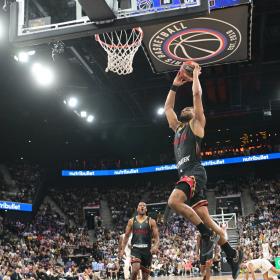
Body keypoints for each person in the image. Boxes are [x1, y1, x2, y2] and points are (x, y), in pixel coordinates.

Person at [164, 62, 243, 279]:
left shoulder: (196, 124)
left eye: (189, 108)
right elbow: (168, 109)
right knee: (209, 222)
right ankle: (232, 253)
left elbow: (197, 95)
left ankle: (205, 234)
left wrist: (196, 75)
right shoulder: (177, 127)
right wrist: (174, 85)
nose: (187, 108)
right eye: (185, 109)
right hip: (186, 175)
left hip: (194, 173)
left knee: (173, 202)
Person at [119, 202, 159, 280]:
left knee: (145, 277)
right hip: (135, 249)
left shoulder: (151, 221)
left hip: (147, 250)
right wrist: (122, 249)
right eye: (140, 206)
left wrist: (155, 246)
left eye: (144, 206)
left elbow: (157, 237)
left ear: (146, 209)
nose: (142, 207)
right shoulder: (131, 221)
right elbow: (126, 236)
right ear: (137, 209)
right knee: (135, 270)